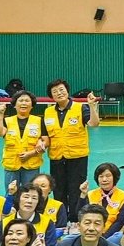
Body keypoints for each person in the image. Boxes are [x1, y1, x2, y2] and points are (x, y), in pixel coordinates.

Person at [41, 79, 100, 224]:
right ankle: (61, 221)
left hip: (77, 157)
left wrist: (92, 106)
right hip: (56, 157)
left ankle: (75, 220)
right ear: (51, 96)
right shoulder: (48, 112)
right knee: (59, 190)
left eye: (61, 90)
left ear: (67, 91)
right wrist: (41, 144)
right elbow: (45, 135)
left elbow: (94, 124)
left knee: (76, 190)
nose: (59, 93)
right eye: (55, 91)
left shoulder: (80, 108)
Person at [0, 91, 46, 184]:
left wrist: (32, 151)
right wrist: (1, 114)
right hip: (12, 165)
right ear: (15, 105)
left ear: (32, 105)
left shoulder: (39, 121)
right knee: (11, 191)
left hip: (31, 164)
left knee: (31, 191)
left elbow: (46, 141)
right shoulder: (7, 121)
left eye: (27, 101)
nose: (24, 103)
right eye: (21, 100)